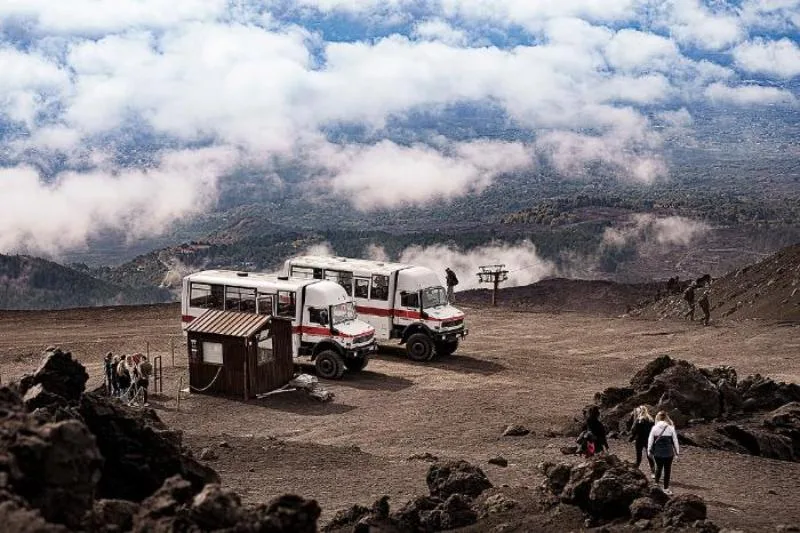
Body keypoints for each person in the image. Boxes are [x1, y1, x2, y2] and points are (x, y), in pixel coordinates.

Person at [647, 411, 680, 495]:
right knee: (667, 470)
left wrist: (649, 451)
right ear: (666, 418)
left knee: (658, 468)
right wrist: (677, 453)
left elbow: (650, 441)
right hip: (669, 453)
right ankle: (666, 489)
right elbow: (675, 441)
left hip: (658, 452)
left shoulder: (654, 428)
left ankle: (656, 486)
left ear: (657, 418)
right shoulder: (670, 428)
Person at [629, 405, 655, 477]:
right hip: (648, 440)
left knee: (639, 456)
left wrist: (631, 438)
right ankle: (653, 472)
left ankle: (635, 470)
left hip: (640, 440)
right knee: (649, 456)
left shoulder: (639, 420)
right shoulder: (651, 419)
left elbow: (635, 431)